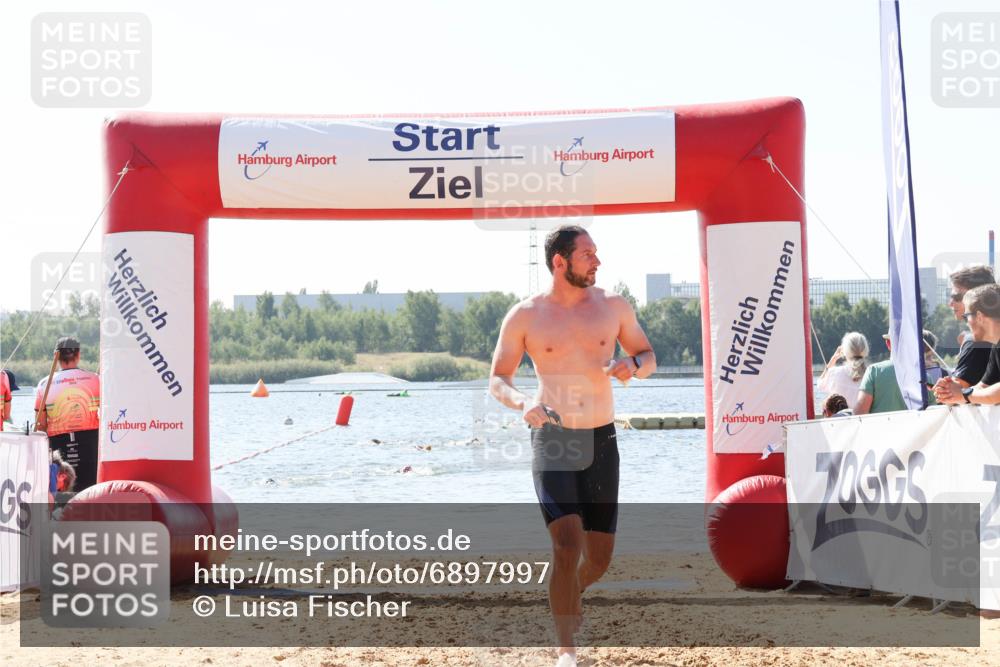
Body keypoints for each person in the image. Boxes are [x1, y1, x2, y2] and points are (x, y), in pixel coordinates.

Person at [489, 225, 655, 667]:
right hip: (554, 436)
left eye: (596, 253)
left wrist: (631, 366)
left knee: (598, 559)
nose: (597, 262)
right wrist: (522, 401)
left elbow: (648, 356)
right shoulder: (525, 315)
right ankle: (566, 650)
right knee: (566, 544)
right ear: (560, 262)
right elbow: (497, 378)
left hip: (601, 438)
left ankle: (570, 593)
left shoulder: (614, 306)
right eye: (587, 254)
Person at [35, 336, 101, 492]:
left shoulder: (44, 385)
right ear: (78, 355)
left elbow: (40, 425)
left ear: (55, 356)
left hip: (59, 445)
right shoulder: (96, 379)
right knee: (89, 491)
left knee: (63, 492)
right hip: (90, 443)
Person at [935, 283, 1000, 406]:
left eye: (967, 316)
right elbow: (982, 387)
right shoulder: (996, 346)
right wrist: (950, 392)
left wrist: (964, 394)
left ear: (980, 316)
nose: (967, 323)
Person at [854, 329, 938, 415]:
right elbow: (932, 415)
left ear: (888, 343)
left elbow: (859, 414)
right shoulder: (925, 378)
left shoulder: (873, 371)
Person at [945, 265, 995, 387]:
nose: (950, 303)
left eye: (956, 297)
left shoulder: (976, 341)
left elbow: (953, 395)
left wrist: (941, 390)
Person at [817, 332, 869, 400]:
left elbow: (820, 384)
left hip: (841, 410)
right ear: (865, 349)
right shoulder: (871, 374)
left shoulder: (834, 372)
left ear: (845, 351)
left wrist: (833, 359)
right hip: (864, 411)